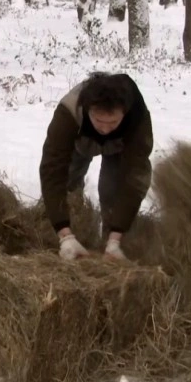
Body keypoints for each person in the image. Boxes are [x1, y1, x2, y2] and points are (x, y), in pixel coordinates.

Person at [39, 72, 153, 261]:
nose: (105, 129)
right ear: (88, 109)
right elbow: (52, 170)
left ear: (123, 112)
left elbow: (136, 175)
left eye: (112, 122)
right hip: (80, 140)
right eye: (99, 121)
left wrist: (117, 235)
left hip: (120, 145)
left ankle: (111, 245)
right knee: (68, 183)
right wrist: (64, 233)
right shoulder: (68, 113)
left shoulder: (137, 116)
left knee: (112, 191)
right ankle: (68, 239)